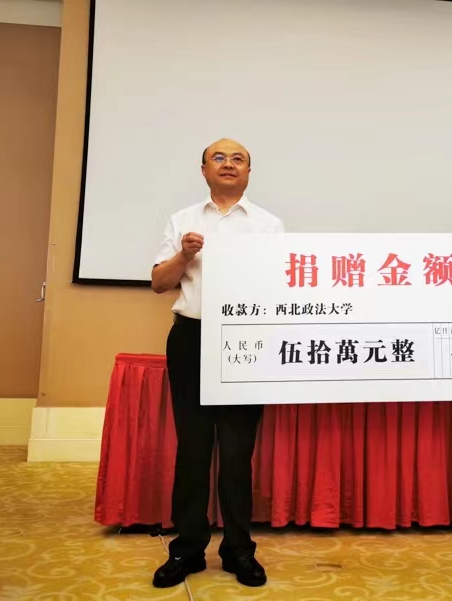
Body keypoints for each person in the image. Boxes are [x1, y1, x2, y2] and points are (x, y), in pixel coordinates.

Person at [150, 138, 284, 589]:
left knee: (237, 451)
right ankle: (187, 549)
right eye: (219, 158)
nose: (229, 164)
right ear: (204, 169)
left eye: (238, 158)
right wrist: (185, 254)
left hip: (246, 340)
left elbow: (280, 287)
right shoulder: (182, 220)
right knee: (192, 448)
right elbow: (159, 283)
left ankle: (239, 550)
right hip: (192, 338)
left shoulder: (269, 225)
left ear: (249, 171)